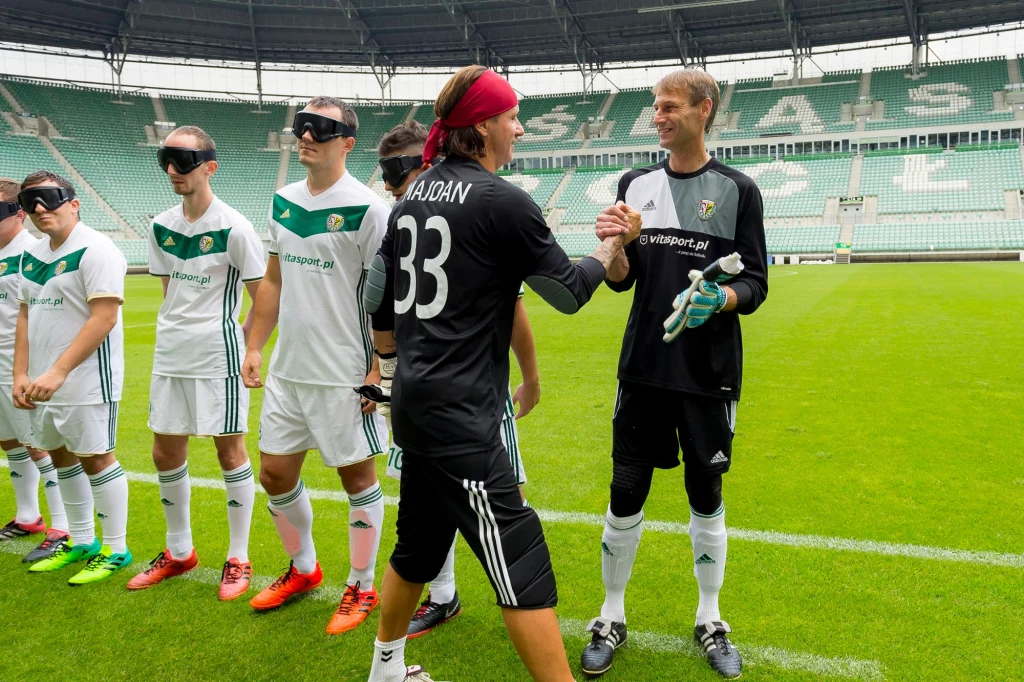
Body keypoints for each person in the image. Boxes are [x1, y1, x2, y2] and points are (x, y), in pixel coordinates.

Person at [361, 65, 638, 682]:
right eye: (512, 116)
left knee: (419, 547)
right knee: (519, 555)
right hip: (462, 414)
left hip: (412, 400)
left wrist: (391, 357)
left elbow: (377, 289)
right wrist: (611, 248)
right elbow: (566, 292)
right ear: (483, 125)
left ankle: (386, 668)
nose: (519, 128)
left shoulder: (413, 195)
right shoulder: (502, 200)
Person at [578, 69, 768, 679]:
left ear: (703, 110)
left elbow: (756, 281)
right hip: (643, 370)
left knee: (705, 496)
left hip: (708, 374)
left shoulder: (739, 189)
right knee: (625, 491)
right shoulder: (635, 183)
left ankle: (710, 618)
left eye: (669, 107)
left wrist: (726, 300)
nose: (657, 116)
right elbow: (620, 280)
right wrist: (621, 245)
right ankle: (610, 614)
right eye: (653, 108)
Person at [376, 121, 541, 639]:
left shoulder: (466, 210)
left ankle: (500, 594)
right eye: (386, 174)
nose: (390, 184)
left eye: (399, 170)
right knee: (422, 507)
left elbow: (514, 306)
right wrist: (382, 371)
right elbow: (382, 305)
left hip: (473, 399)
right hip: (424, 395)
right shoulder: (407, 216)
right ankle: (444, 595)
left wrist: (530, 376)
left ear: (426, 163)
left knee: (495, 501)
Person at [241, 96, 391, 635]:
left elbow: (388, 296)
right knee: (275, 474)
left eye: (321, 129)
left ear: (347, 142)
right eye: (301, 126)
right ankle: (304, 569)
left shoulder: (371, 209)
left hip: (344, 371)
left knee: (357, 478)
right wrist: (256, 345)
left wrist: (378, 369)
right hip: (288, 371)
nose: (305, 135)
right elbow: (273, 281)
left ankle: (362, 582)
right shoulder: (282, 201)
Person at [126, 126, 265, 600]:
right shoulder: (160, 225)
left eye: (183, 160)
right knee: (165, 453)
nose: (171, 170)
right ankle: (179, 550)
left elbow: (261, 297)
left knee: (230, 452)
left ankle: (239, 556)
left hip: (216, 355)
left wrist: (248, 348)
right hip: (171, 352)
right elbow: (169, 293)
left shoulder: (235, 226)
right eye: (166, 159)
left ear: (210, 166)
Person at [14, 170, 132, 585]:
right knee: (61, 456)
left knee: (96, 458)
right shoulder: (33, 254)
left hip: (85, 379)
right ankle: (81, 540)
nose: (40, 209)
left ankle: (115, 548)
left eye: (49, 198)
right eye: (30, 202)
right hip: (43, 381)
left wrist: (60, 371)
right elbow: (26, 314)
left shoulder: (96, 249)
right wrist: (21, 374)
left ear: (74, 202)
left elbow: (104, 316)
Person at [0, 177, 68, 562]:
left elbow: (33, 315)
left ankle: (61, 525)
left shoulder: (32, 253)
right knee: (8, 440)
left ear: (18, 214)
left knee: (38, 443)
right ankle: (28, 515)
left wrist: (25, 369)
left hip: (20, 363)